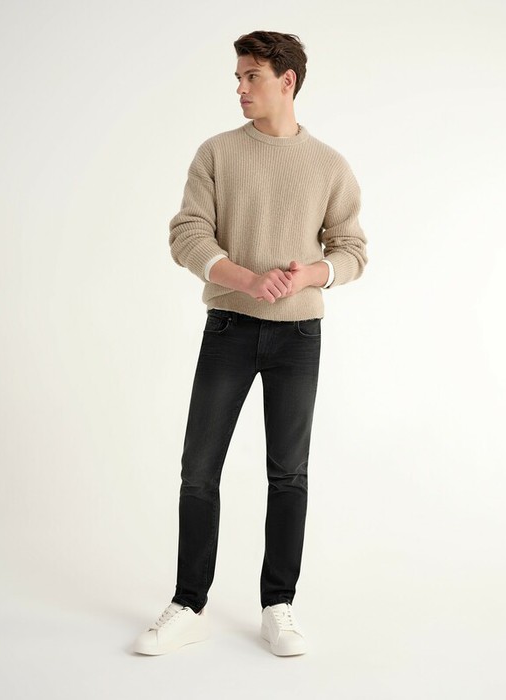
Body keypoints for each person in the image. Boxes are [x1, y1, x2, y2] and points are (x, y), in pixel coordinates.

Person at [133, 29, 368, 658]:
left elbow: (352, 250)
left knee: (288, 473)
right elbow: (188, 234)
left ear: (287, 81)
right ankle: (189, 604)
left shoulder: (329, 165)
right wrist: (248, 280)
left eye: (251, 76)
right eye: (238, 77)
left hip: (299, 336)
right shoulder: (217, 153)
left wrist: (311, 274)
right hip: (229, 329)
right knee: (199, 470)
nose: (239, 87)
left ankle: (278, 606)